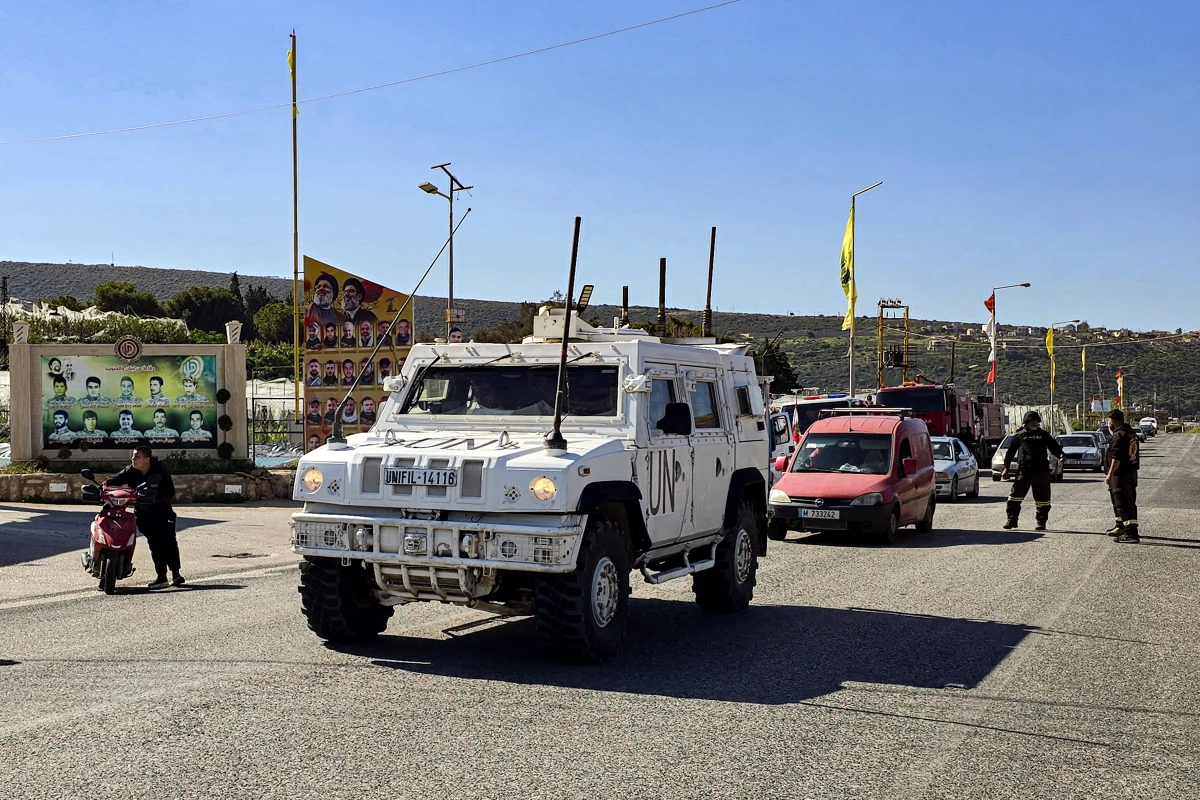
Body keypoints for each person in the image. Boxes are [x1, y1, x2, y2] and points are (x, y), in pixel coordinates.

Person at [106, 446, 182, 589]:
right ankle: (161, 577)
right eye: (133, 457)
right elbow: (115, 480)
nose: (133, 459)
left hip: (163, 513)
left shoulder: (160, 469)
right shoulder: (131, 471)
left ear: (147, 459)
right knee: (155, 545)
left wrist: (154, 498)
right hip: (144, 514)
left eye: (137, 457)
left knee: (168, 542)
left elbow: (169, 492)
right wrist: (103, 487)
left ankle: (176, 574)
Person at [1001, 410, 1065, 531]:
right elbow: (1010, 452)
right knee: (1015, 497)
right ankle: (1011, 520)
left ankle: (1041, 522)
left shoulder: (1044, 435)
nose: (1035, 423)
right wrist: (1006, 468)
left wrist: (1061, 455)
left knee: (1043, 499)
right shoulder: (1020, 435)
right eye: (1032, 421)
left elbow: (1054, 447)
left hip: (1041, 471)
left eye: (1037, 421)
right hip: (1024, 471)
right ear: (1026, 423)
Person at [1105, 409, 1141, 543]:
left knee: (1123, 504)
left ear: (1113, 421)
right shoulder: (1130, 433)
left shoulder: (1120, 435)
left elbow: (1117, 457)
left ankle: (1131, 533)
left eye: (1110, 421)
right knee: (1126, 502)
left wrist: (1110, 474)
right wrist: (1112, 431)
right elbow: (1120, 439)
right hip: (1131, 473)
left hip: (1121, 475)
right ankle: (1120, 526)